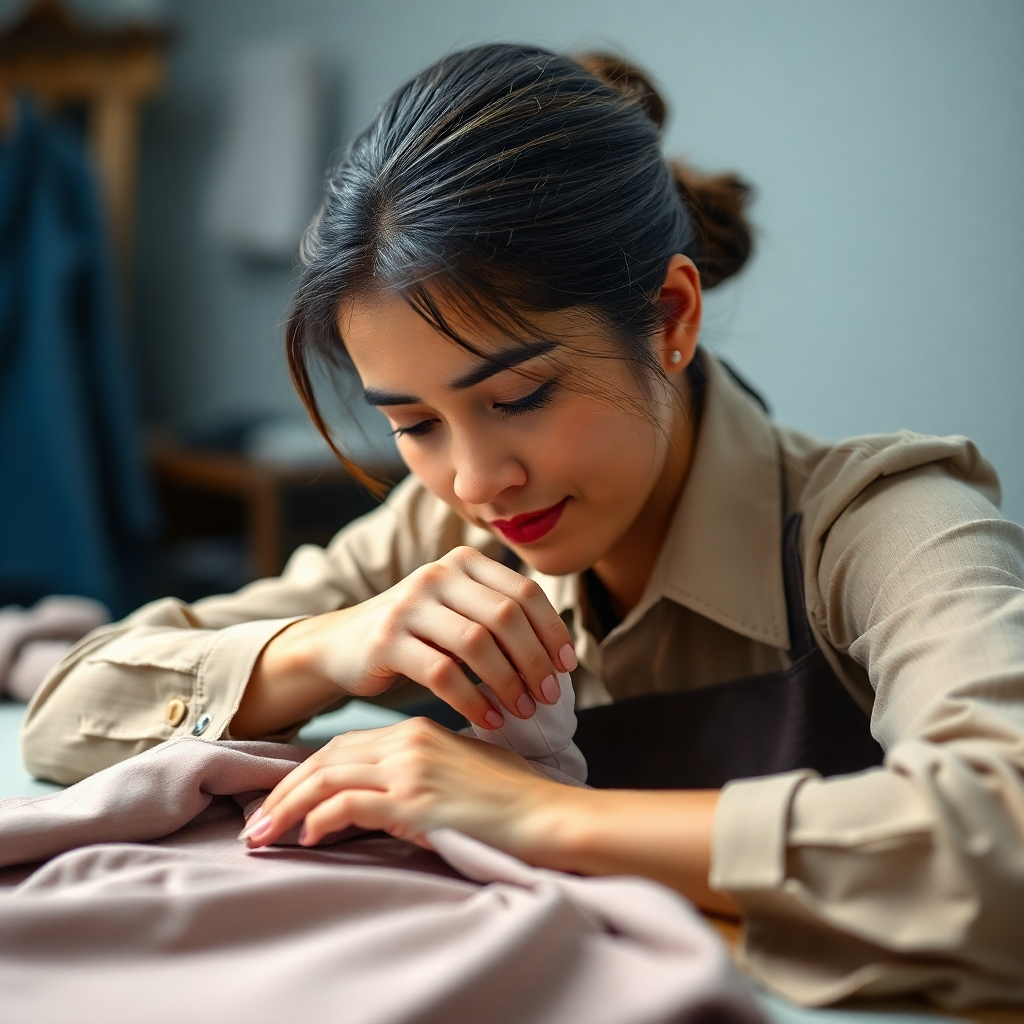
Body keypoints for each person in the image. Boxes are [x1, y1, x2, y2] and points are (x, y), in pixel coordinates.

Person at [22, 45, 1024, 1008]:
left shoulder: (883, 526)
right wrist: (331, 642)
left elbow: (1003, 832)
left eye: (519, 396)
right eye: (411, 423)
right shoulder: (440, 529)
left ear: (672, 317)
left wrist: (543, 814)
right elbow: (67, 716)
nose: (474, 480)